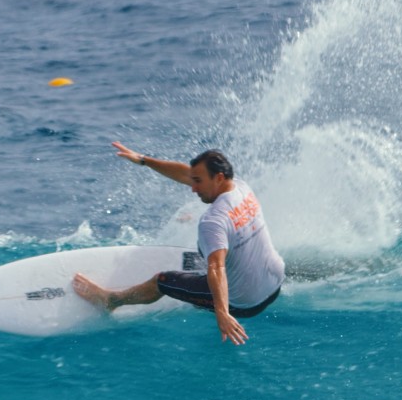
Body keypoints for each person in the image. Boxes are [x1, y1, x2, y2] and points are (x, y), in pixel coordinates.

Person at [72, 141, 285, 345]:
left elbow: (216, 267)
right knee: (218, 246)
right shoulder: (241, 187)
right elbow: (186, 173)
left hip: (245, 303)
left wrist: (222, 313)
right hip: (275, 284)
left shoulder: (213, 221)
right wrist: (144, 160)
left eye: (198, 182)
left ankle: (111, 300)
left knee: (163, 280)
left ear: (219, 178)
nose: (193, 188)